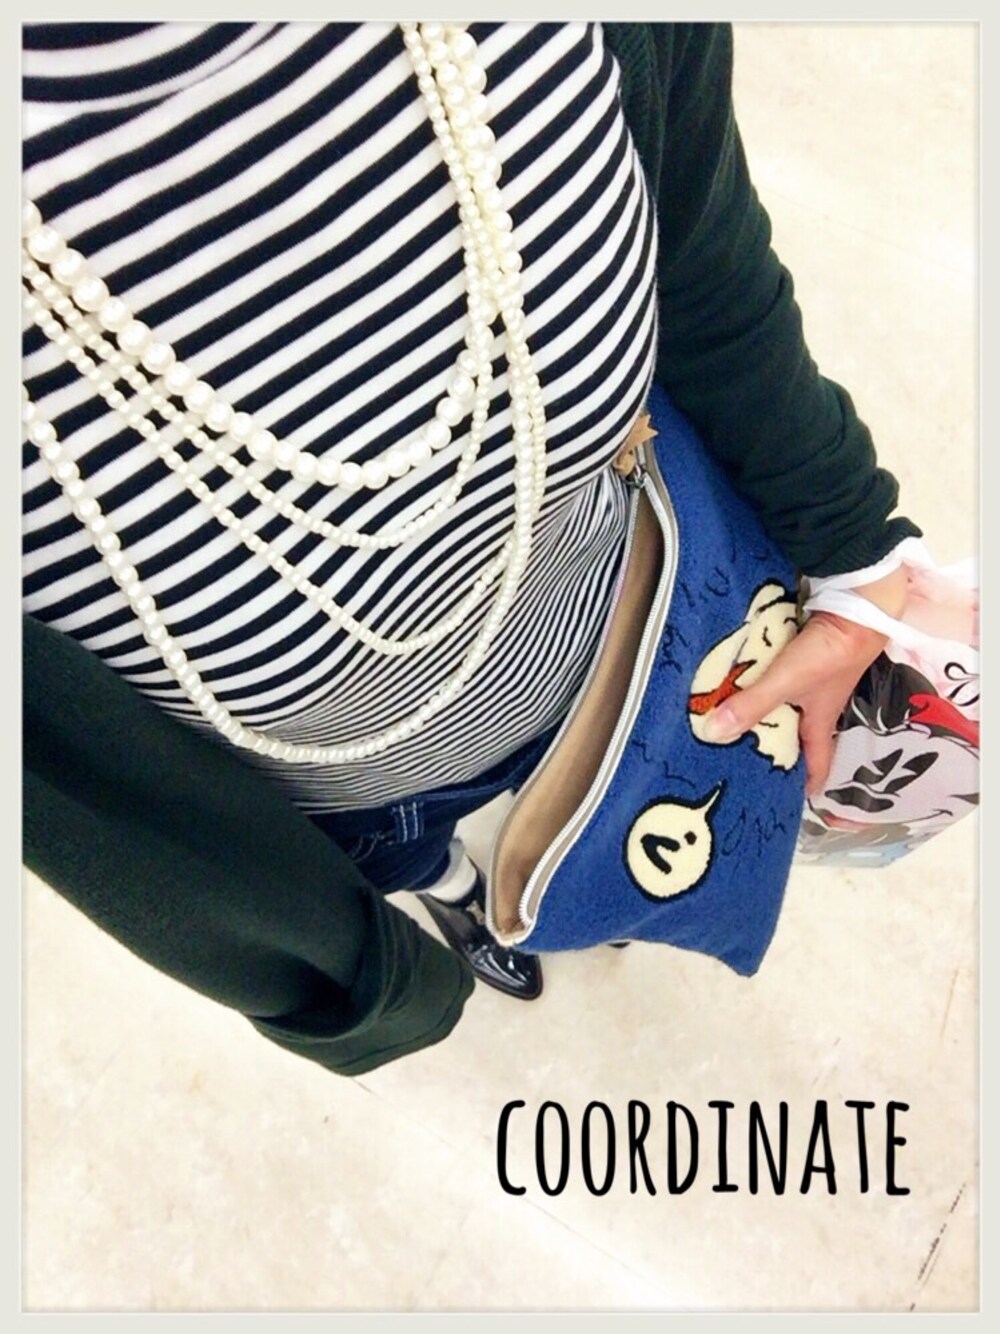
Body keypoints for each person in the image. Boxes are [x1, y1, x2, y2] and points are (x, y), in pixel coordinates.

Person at [21, 21, 920, 1075]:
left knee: (613, 840)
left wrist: (854, 547)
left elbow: (700, 259)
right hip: (352, 793)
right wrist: (354, 975)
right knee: (434, 865)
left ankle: (576, 874)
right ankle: (469, 901)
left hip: (641, 621)